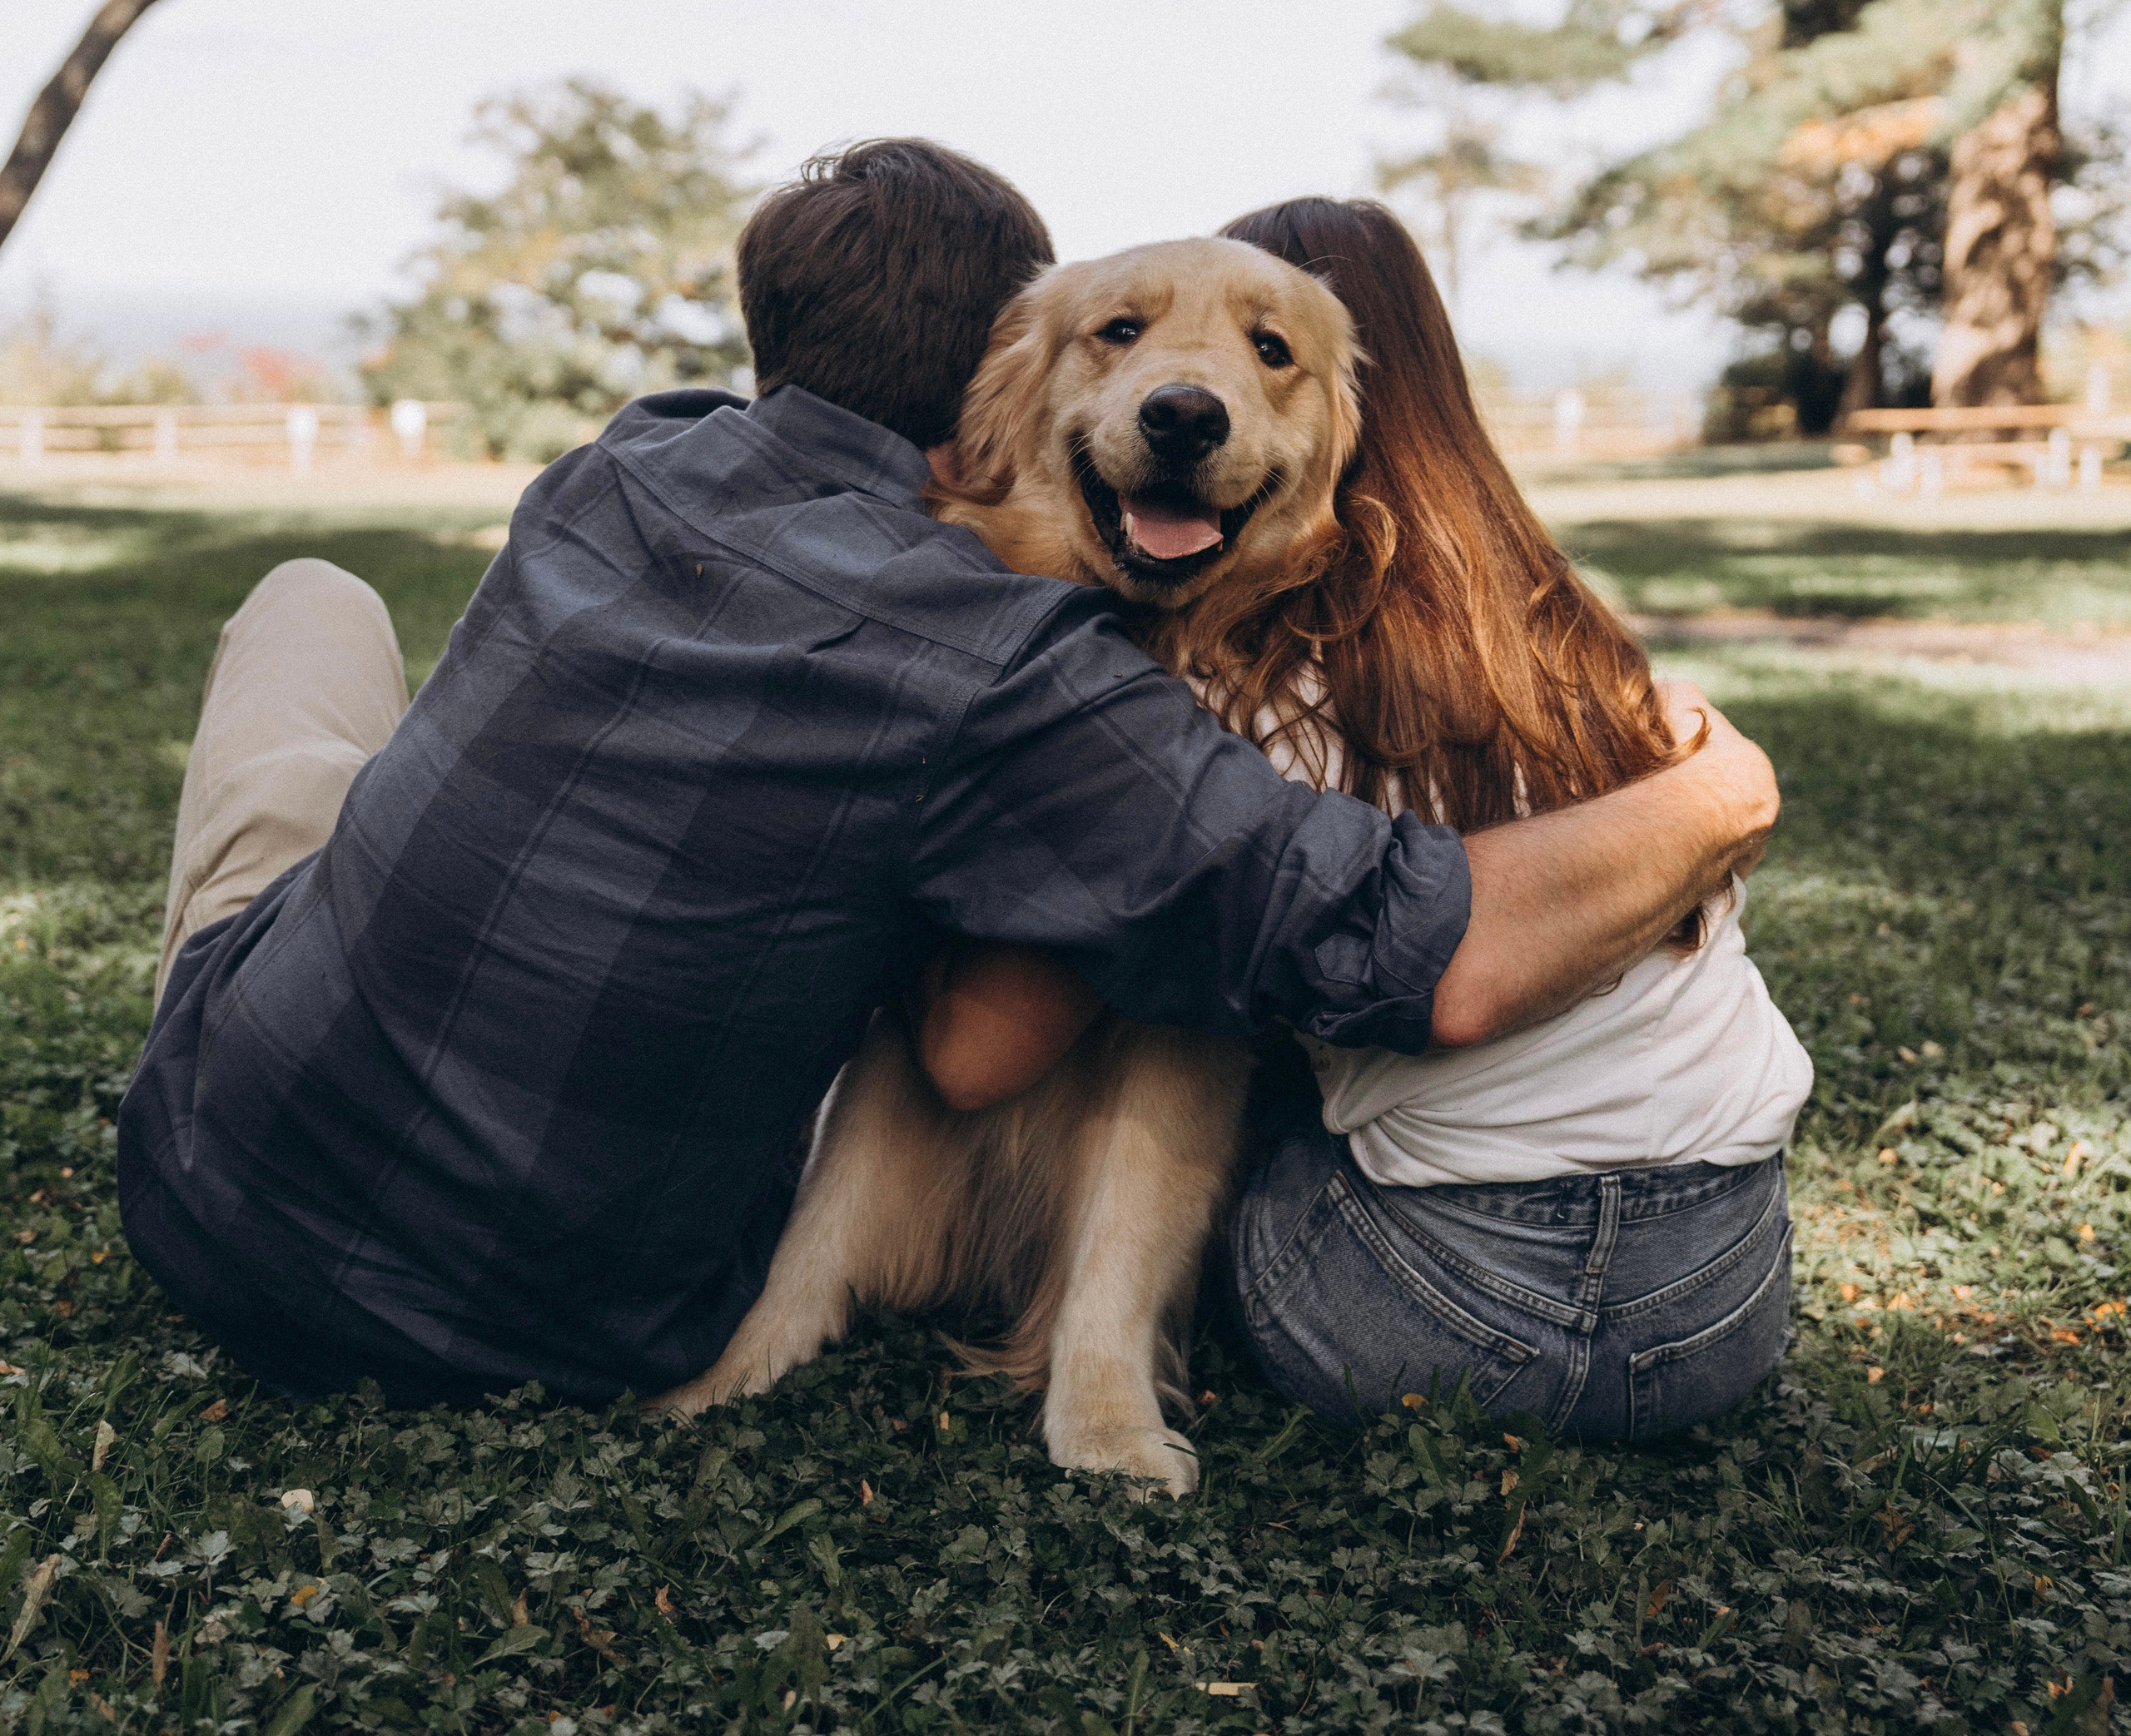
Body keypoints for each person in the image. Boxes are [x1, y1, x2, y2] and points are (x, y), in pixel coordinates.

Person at [118, 141, 1779, 1411]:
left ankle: (326, 939)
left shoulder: (620, 456)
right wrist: (1719, 796)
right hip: (563, 1323)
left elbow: (980, 1041)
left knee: (315, 609)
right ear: (1004, 380)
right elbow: (1414, 940)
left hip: (204, 1166)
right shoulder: (1025, 675)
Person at [921, 196, 1809, 1441]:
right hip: (1730, 1301)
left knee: (1204, 1036)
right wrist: (1728, 789)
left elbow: (981, 1057)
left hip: (1432, 1317)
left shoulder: (1237, 693)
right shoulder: (1574, 645)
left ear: (1349, 415)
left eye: (1265, 347)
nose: (1203, 375)